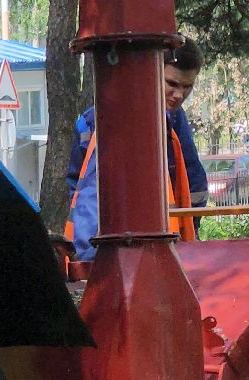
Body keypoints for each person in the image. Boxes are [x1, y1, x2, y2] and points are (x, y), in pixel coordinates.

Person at [64, 39, 210, 260]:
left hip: (164, 249)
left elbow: (191, 180)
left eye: (187, 87)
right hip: (116, 252)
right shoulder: (104, 121)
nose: (179, 95)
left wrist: (191, 231)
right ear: (149, 72)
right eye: (172, 83)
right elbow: (85, 192)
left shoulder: (174, 119)